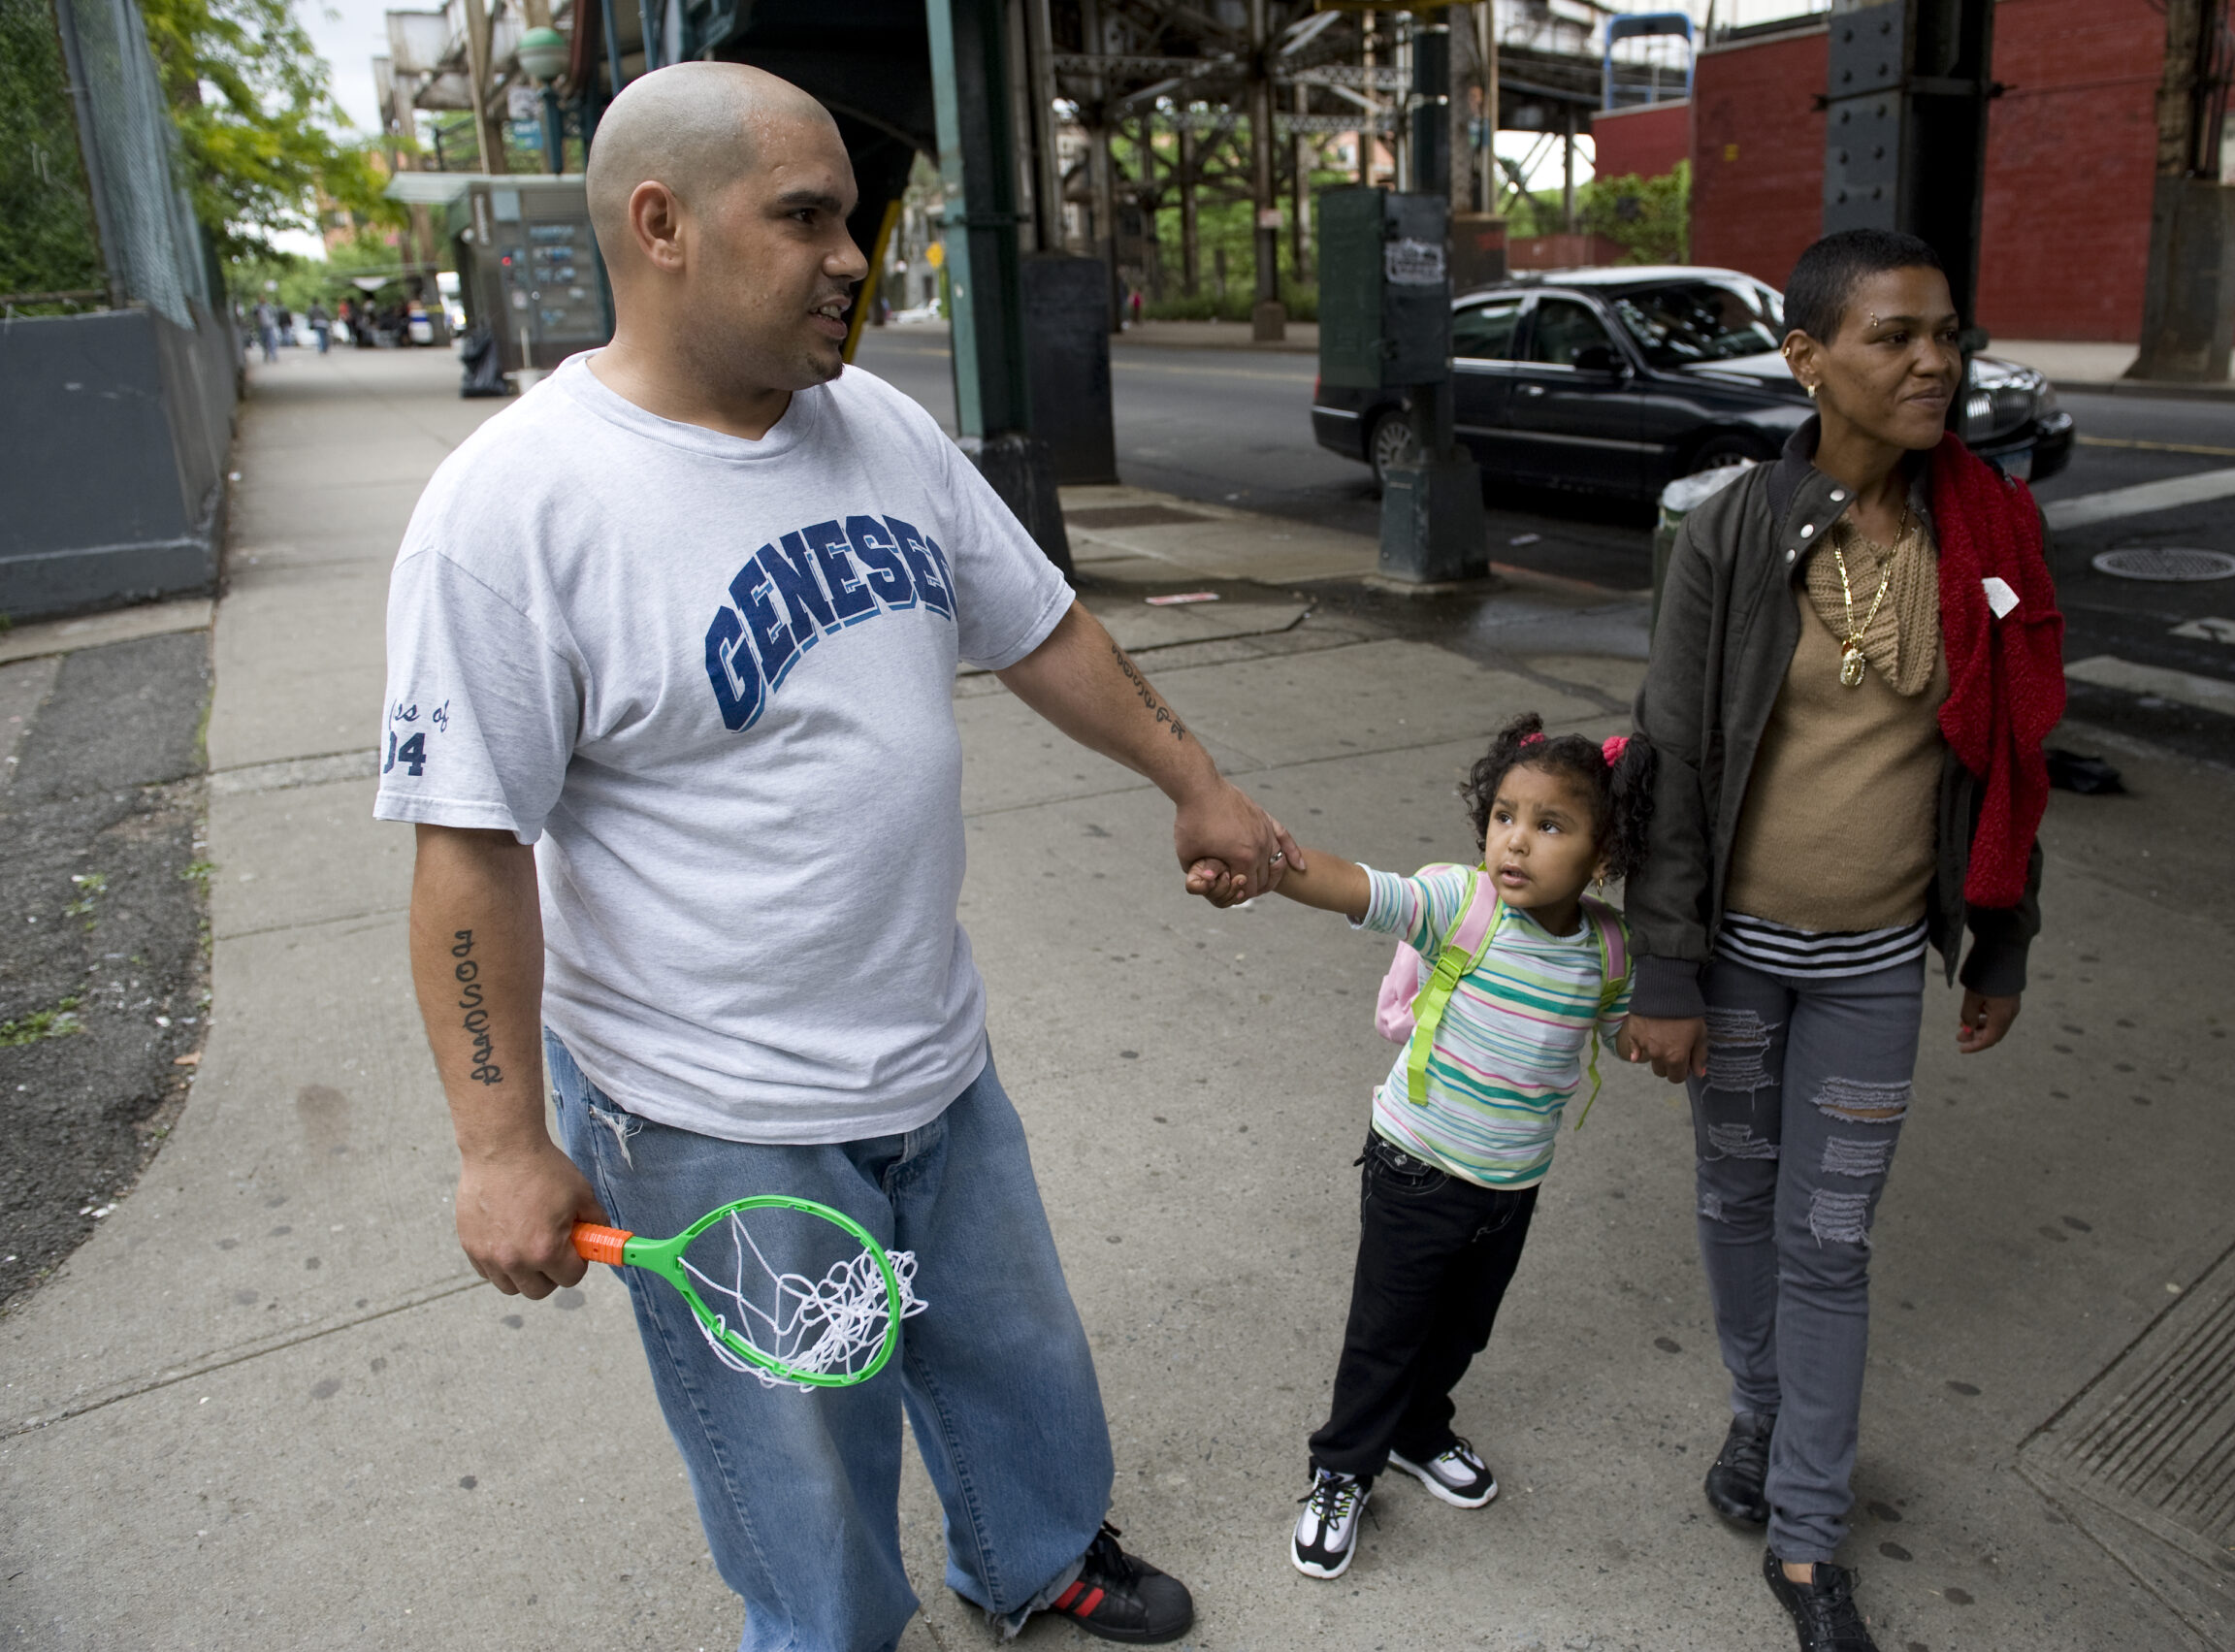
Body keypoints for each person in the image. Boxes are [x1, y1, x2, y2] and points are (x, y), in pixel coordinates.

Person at [375, 61, 1299, 1652]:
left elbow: (1042, 627)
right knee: (798, 1460)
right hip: (713, 1110)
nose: (852, 256)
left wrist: (1192, 780)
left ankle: (1034, 1550)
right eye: (803, 218)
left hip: (933, 1049)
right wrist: (498, 1140)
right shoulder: (515, 510)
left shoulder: (878, 427)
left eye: (853, 218)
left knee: (1011, 1348)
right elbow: (467, 850)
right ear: (659, 225)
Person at [1616, 228, 2062, 1652]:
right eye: (1894, 336)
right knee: (1739, 1209)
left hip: (1875, 965)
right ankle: (1763, 1411)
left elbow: (2012, 752)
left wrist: (2000, 938)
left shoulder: (1986, 531)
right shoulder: (1737, 530)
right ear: (1810, 360)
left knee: (1829, 1239)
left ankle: (1808, 1535)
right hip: (1738, 958)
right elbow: (1673, 761)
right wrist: (1670, 968)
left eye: (1948, 333)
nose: (1935, 360)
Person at [1210, 716, 1650, 1580]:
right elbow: (1359, 889)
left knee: (1461, 1328)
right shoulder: (1461, 902)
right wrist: (1271, 863)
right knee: (1385, 1331)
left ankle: (1417, 1431)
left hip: (1510, 1186)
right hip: (1415, 1166)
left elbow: (1629, 1034)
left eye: (1549, 825)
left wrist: (1685, 1031)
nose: (1516, 841)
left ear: (1604, 856)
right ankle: (1341, 1469)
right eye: (1504, 817)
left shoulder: (1609, 948)